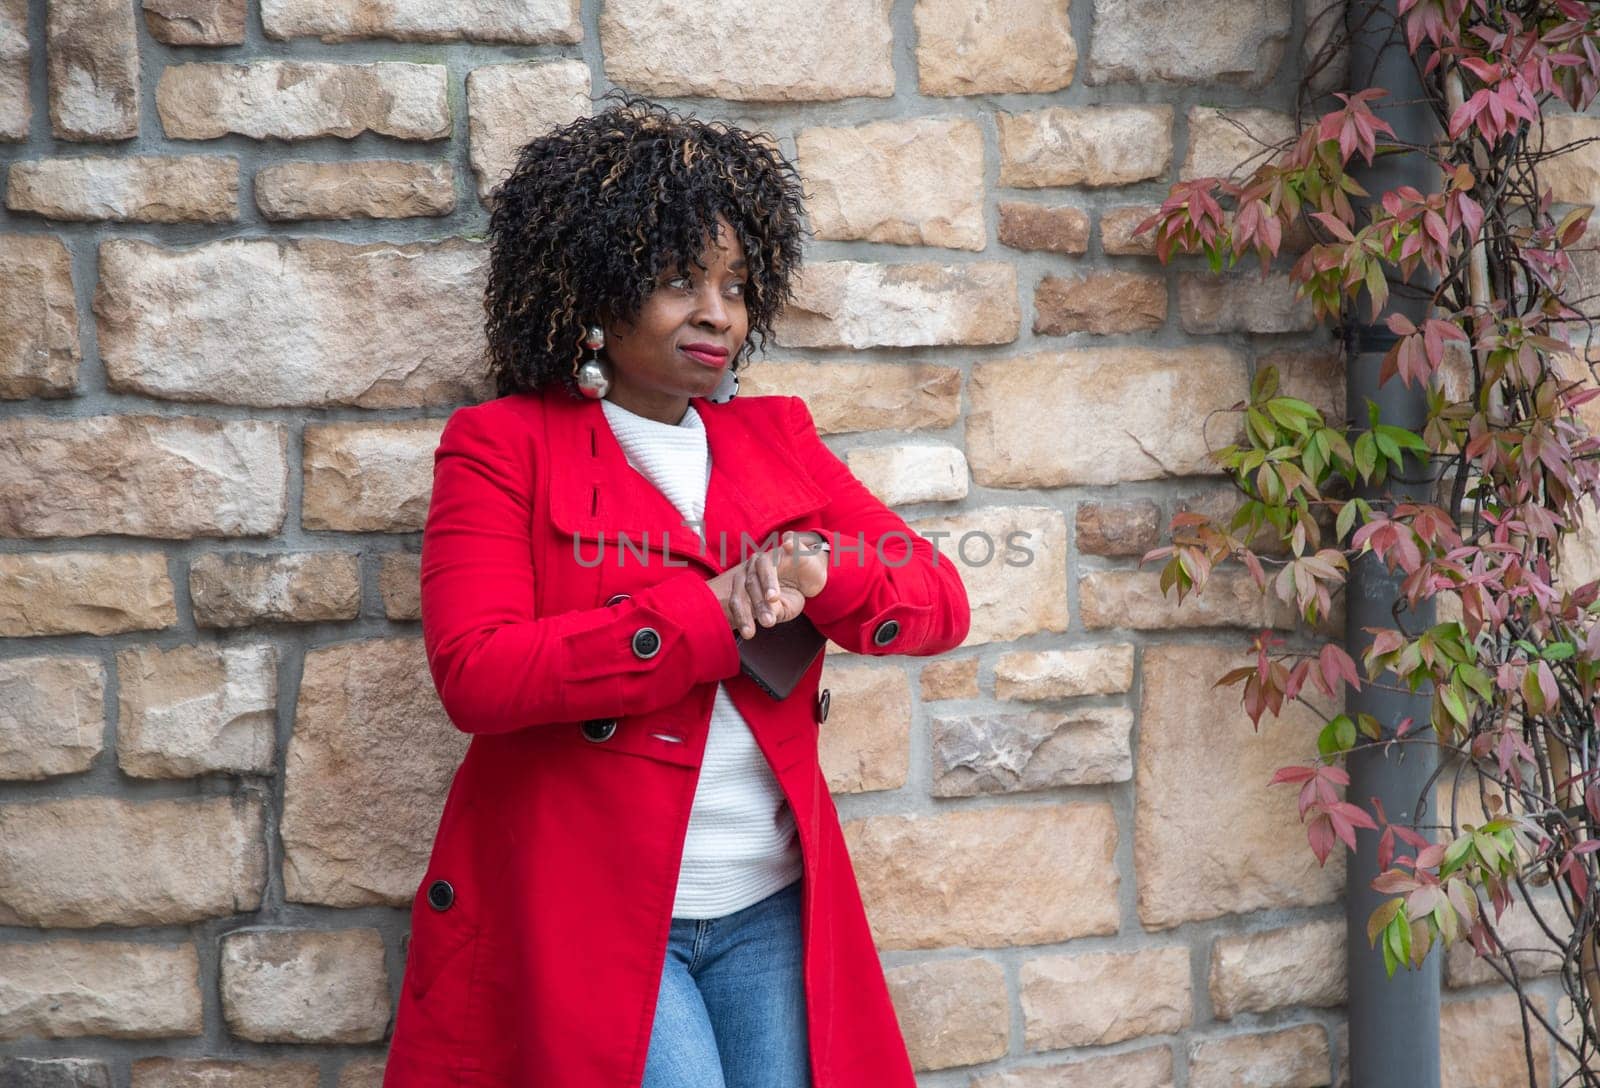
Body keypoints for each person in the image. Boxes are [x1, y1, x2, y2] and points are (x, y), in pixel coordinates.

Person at [382, 92, 972, 1088]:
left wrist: (826, 568)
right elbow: (476, 671)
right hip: (592, 907)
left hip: (770, 905)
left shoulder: (774, 436)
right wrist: (710, 613)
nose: (716, 312)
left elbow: (937, 599)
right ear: (592, 294)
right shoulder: (502, 446)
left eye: (736, 286)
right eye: (674, 282)